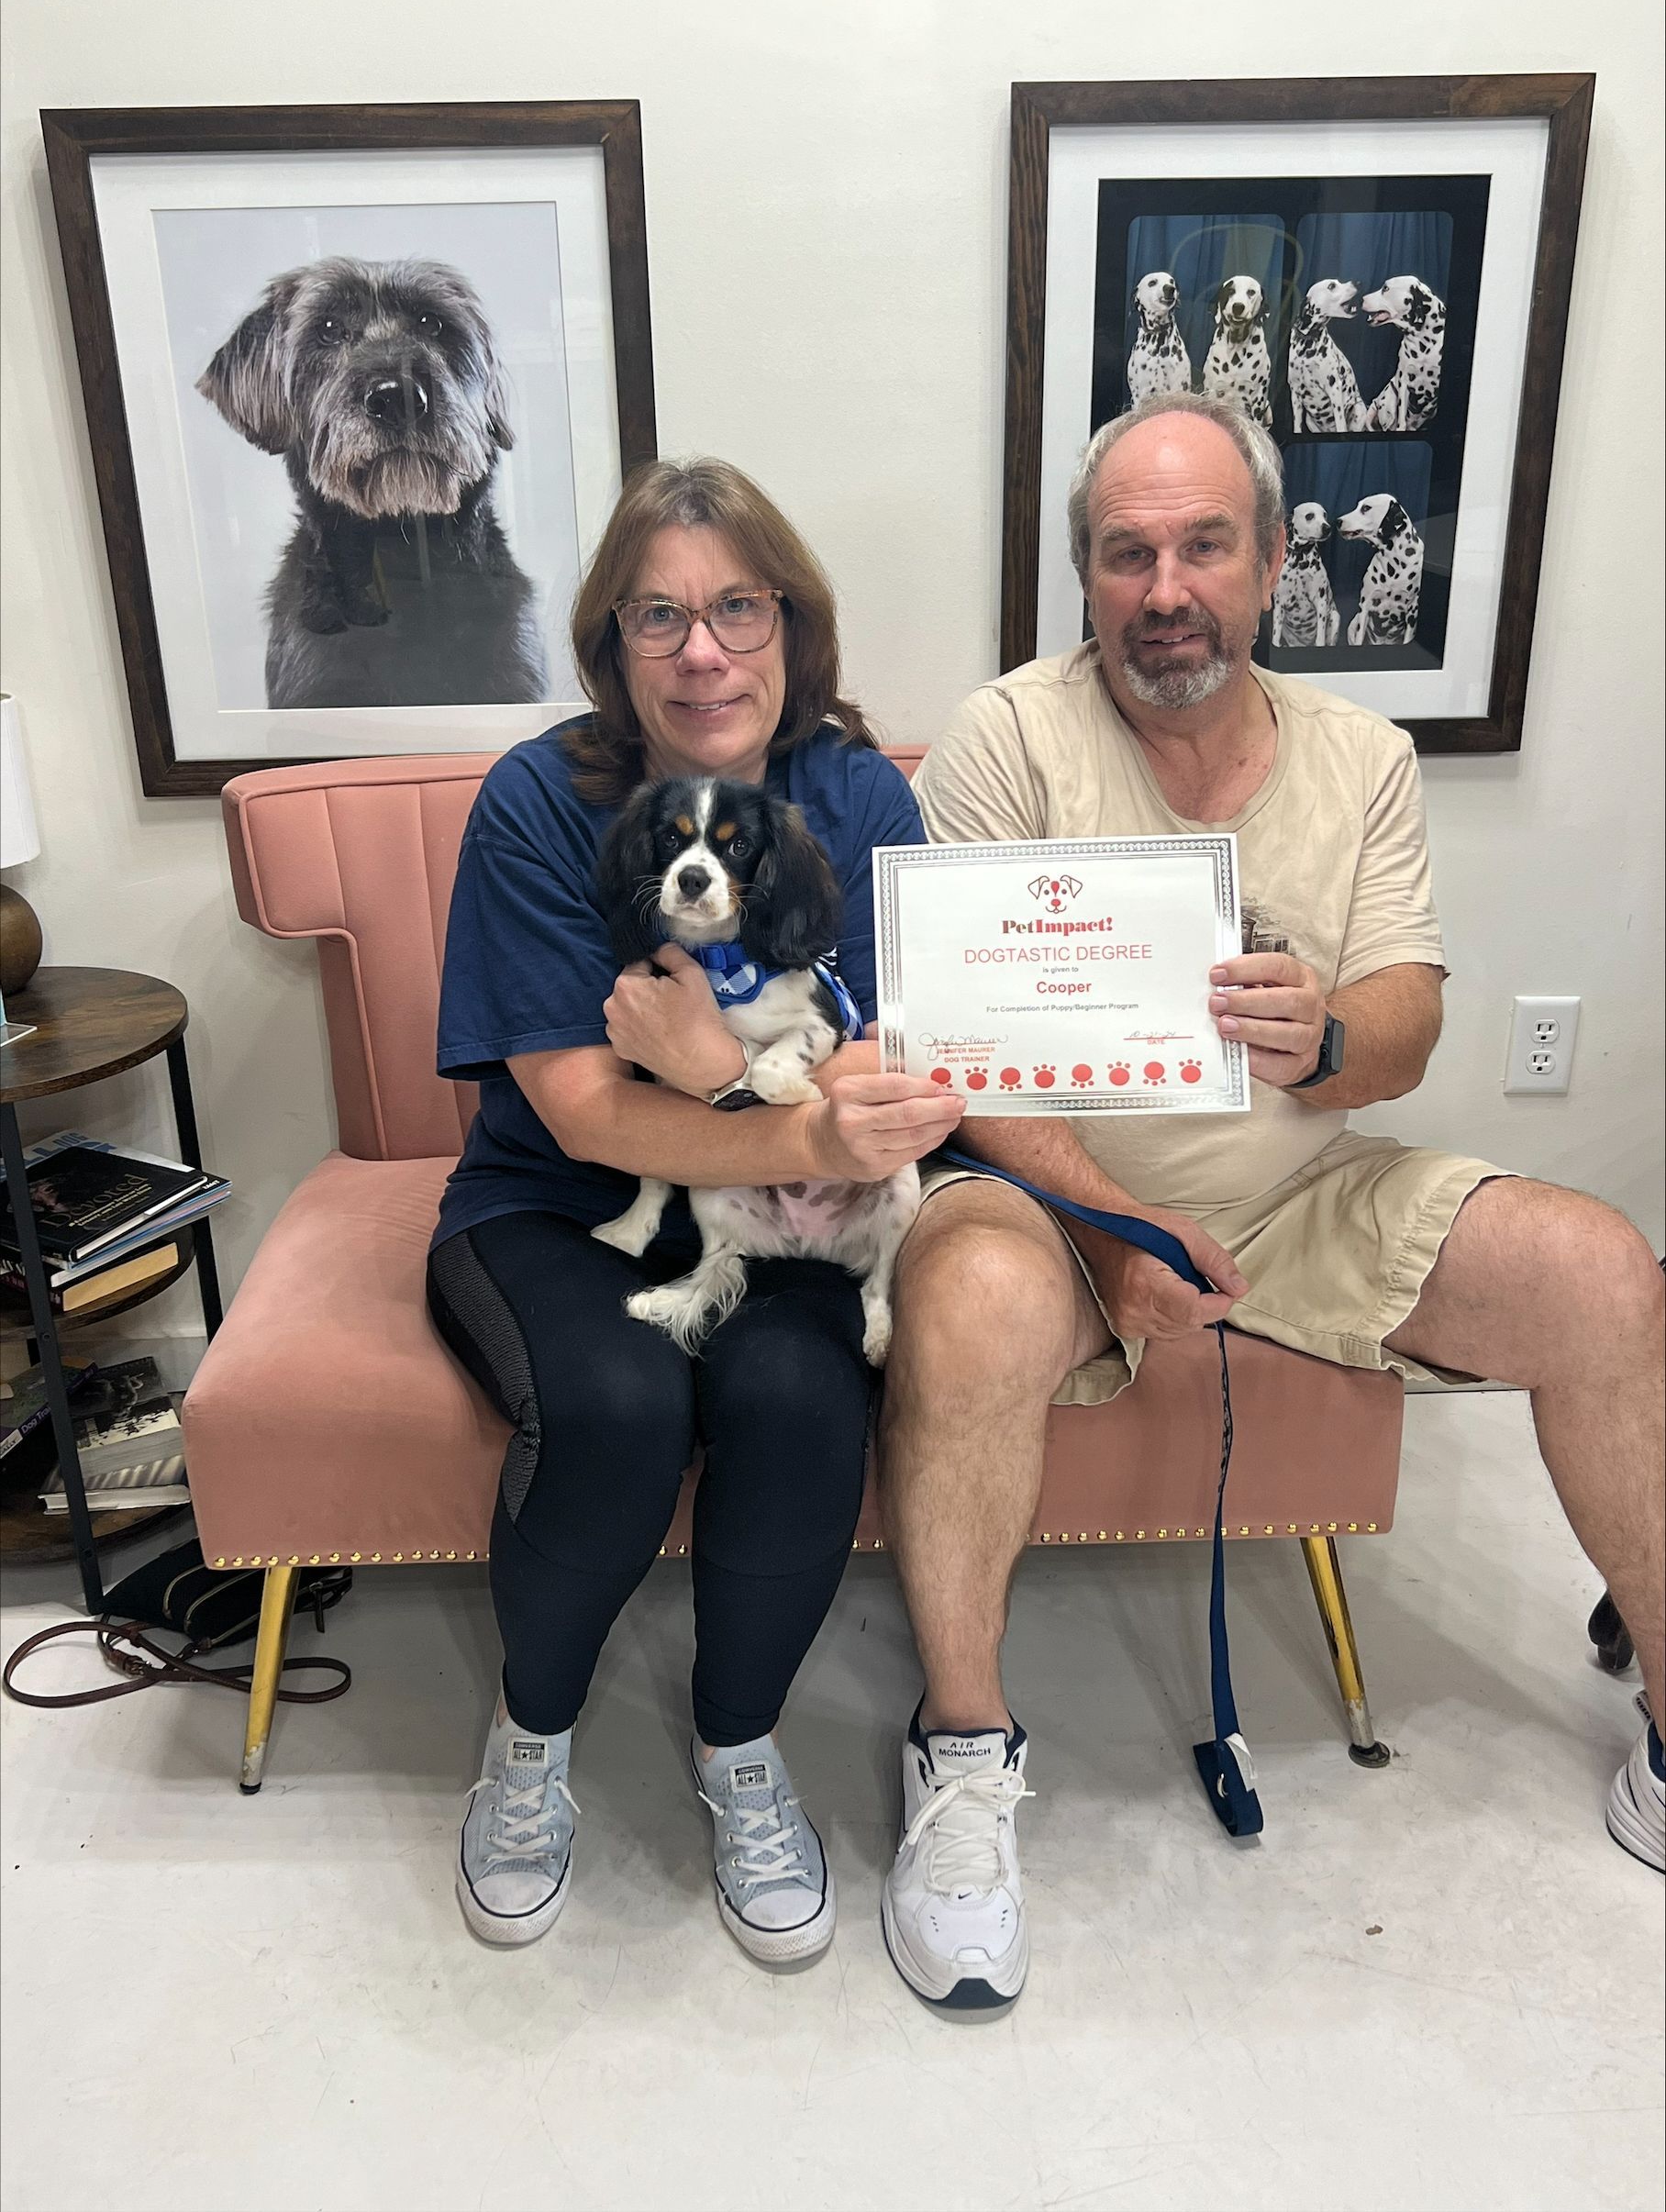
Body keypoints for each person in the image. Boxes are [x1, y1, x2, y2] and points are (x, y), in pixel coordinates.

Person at [877, 391, 1665, 2011]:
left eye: (1203, 545)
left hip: (1305, 1182)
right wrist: (1124, 1229)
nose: (1165, 588)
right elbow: (966, 1065)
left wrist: (1331, 1036)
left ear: (1277, 559)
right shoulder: (1002, 742)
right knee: (960, 1299)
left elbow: (1412, 1018)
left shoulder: (1363, 758)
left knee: (1599, 1272)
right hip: (1046, 1196)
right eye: (1125, 554)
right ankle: (962, 1756)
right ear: (1085, 579)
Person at [428, 458, 963, 1956]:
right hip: (560, 1209)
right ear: (610, 643)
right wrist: (794, 1112)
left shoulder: (858, 798)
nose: (703, 650)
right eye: (658, 616)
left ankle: (740, 1746)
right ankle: (530, 1745)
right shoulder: (540, 801)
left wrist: (726, 1073)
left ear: (791, 626)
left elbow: (897, 1086)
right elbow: (589, 1109)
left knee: (803, 1405)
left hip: (787, 1215)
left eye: (737, 606)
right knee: (615, 1409)